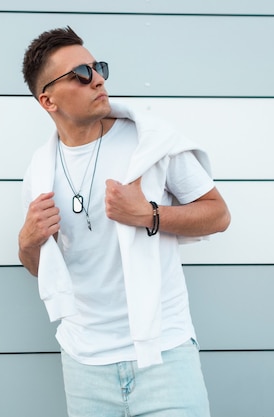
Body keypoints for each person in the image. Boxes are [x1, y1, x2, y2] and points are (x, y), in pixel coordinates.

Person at [18, 26, 230, 417]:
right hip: (85, 363)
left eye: (97, 67)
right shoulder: (39, 171)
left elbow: (218, 214)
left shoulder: (150, 143)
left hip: (163, 355)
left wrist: (148, 214)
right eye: (80, 74)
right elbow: (42, 268)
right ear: (48, 100)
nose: (97, 78)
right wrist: (28, 242)